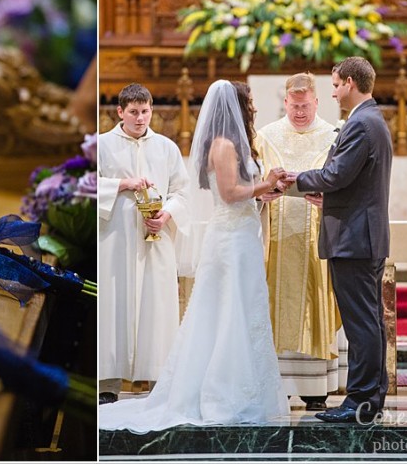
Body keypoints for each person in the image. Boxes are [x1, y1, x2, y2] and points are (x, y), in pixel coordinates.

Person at [99, 80, 290, 431]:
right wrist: (265, 183)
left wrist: (265, 193)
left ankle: (242, 388)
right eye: (250, 103)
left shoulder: (187, 146)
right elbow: (229, 194)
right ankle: (220, 392)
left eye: (145, 111)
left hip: (240, 236)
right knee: (227, 313)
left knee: (241, 313)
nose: (254, 108)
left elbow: (193, 193)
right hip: (225, 241)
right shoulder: (223, 144)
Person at [286, 56, 392, 423]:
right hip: (362, 234)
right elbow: (353, 181)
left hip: (354, 237)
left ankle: (360, 400)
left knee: (361, 323)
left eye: (335, 85)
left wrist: (295, 180)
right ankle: (372, 397)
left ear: (349, 82)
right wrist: (327, 195)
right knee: (370, 320)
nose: (333, 93)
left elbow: (336, 175)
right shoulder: (371, 119)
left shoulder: (361, 123)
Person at [256, 72, 344, 411]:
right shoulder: (266, 136)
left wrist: (329, 199)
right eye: (294, 106)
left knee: (314, 301)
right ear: (285, 103)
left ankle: (315, 389)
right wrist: (263, 194)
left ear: (317, 102)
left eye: (305, 106)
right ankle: (277, 385)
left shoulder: (333, 137)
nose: (300, 112)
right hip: (276, 242)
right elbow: (253, 184)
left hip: (316, 241)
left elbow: (344, 184)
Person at [98, 83, 190, 405]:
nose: (140, 118)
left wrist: (166, 214)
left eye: (145, 111)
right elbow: (85, 185)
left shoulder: (166, 148)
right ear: (120, 112)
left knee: (156, 306)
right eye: (134, 112)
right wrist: (123, 183)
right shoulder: (102, 145)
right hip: (114, 242)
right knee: (112, 305)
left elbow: (182, 191)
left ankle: (158, 380)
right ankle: (107, 384)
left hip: (155, 241)